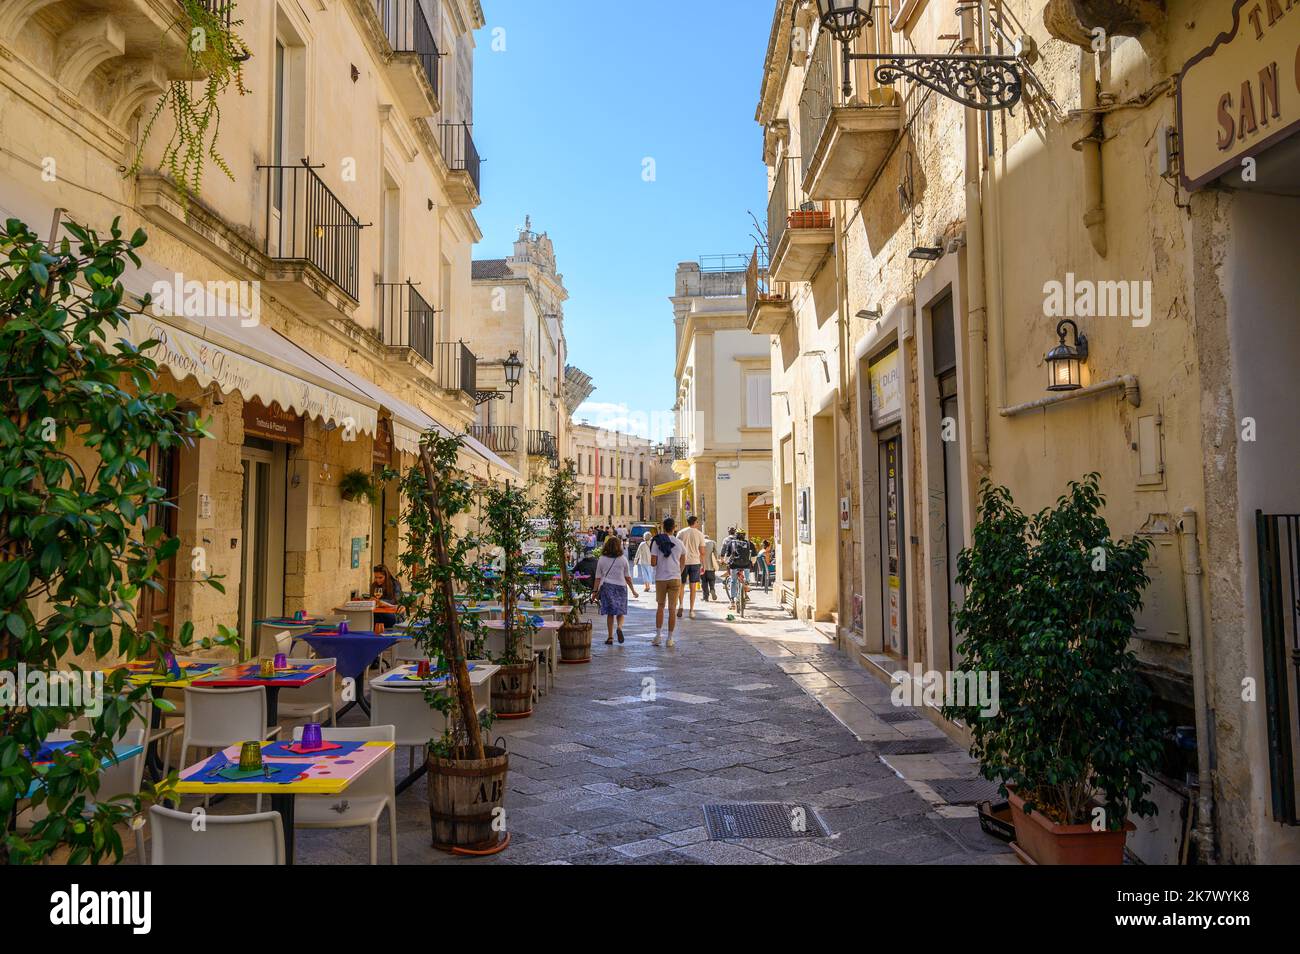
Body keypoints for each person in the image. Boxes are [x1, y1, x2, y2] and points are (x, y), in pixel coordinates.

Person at [650, 516, 687, 647]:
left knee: (660, 606)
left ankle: (658, 636)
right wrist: (678, 572)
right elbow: (683, 562)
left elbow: (653, 563)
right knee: (672, 608)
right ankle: (670, 638)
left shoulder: (657, 542)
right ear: (674, 528)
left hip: (661, 578)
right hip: (675, 578)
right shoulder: (679, 543)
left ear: (663, 527)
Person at [594, 536, 637, 645]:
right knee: (620, 611)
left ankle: (610, 637)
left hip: (607, 586)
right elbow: (628, 577)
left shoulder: (602, 559)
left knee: (610, 613)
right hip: (621, 587)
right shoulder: (623, 559)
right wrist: (633, 590)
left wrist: (594, 592)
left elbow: (598, 578)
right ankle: (619, 627)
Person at [675, 515, 706, 619]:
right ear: (695, 522)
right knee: (693, 587)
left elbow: (676, 548)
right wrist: (703, 564)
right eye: (697, 522)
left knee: (681, 585)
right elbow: (702, 552)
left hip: (682, 562)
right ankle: (691, 610)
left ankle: (681, 605)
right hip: (695, 562)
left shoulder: (681, 533)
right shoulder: (700, 534)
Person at [722, 530, 755, 611]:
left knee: (733, 581)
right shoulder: (749, 543)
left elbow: (727, 555)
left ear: (736, 535)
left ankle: (732, 602)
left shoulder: (731, 543)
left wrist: (726, 562)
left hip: (735, 565)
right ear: (744, 536)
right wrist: (752, 563)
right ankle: (746, 583)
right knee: (747, 568)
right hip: (746, 565)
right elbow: (754, 556)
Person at [370, 564, 403, 629]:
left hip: (394, 614)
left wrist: (381, 602)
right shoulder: (374, 585)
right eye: (376, 577)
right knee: (370, 617)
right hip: (379, 613)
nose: (377, 580)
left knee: (378, 618)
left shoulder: (395, 584)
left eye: (380, 577)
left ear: (386, 576)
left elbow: (396, 600)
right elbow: (374, 601)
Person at [719, 526, 737, 600]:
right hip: (739, 559)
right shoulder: (738, 538)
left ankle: (729, 581)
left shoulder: (726, 539)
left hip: (729, 558)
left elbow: (723, 550)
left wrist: (722, 559)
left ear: (728, 532)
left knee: (730, 571)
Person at [701, 533, 718, 602]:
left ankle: (706, 597)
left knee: (704, 582)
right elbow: (715, 554)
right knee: (712, 580)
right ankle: (712, 589)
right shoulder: (712, 542)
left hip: (702, 567)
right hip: (711, 566)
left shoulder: (700, 543)